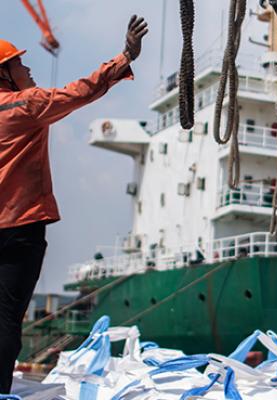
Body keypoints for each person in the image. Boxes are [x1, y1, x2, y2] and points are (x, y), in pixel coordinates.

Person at [0, 16, 148, 394]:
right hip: (19, 229)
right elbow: (78, 92)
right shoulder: (27, 105)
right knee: (6, 318)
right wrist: (125, 57)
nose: (28, 67)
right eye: (19, 63)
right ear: (4, 74)